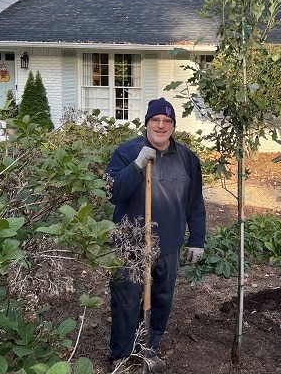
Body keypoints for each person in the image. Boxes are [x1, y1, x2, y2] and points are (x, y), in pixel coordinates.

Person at [106, 97, 207, 372]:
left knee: (161, 300)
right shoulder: (127, 153)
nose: (161, 126)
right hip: (131, 246)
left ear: (173, 125)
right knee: (126, 301)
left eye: (167, 121)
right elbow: (113, 193)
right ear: (147, 123)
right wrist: (137, 166)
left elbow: (195, 203)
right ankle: (121, 356)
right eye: (156, 120)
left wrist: (197, 239)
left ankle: (147, 349)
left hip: (168, 246)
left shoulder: (187, 159)